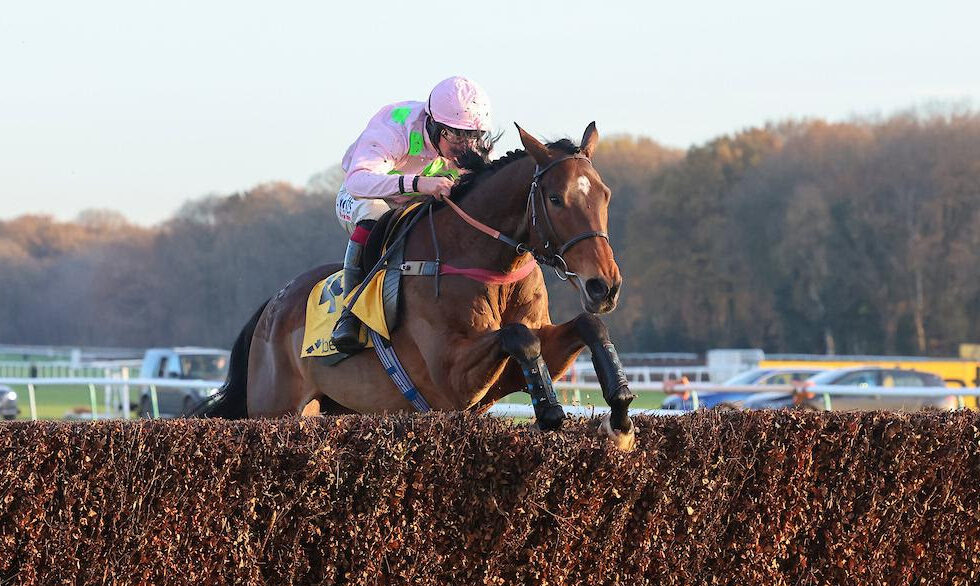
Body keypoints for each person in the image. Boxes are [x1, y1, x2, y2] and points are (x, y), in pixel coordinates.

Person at [331, 76, 498, 353]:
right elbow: (357, 182)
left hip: (418, 200)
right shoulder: (395, 127)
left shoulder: (469, 143)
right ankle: (350, 312)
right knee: (375, 217)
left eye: (472, 136)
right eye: (456, 136)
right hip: (366, 195)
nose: (465, 147)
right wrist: (420, 183)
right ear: (433, 124)